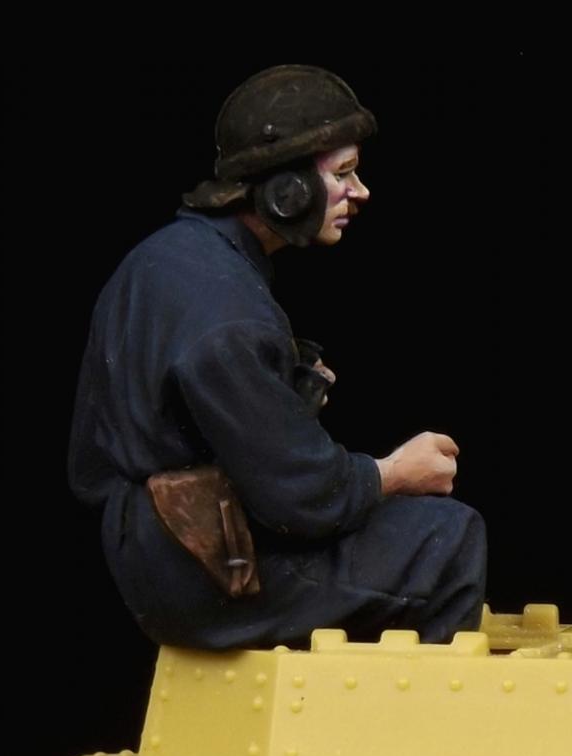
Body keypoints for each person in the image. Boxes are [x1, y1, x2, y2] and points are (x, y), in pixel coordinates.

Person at [68, 64, 486, 651]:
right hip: (209, 570)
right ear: (287, 189)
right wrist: (393, 472)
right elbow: (304, 498)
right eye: (343, 173)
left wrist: (279, 387)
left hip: (156, 547)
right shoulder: (230, 316)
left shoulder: (164, 257)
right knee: (448, 538)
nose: (360, 191)